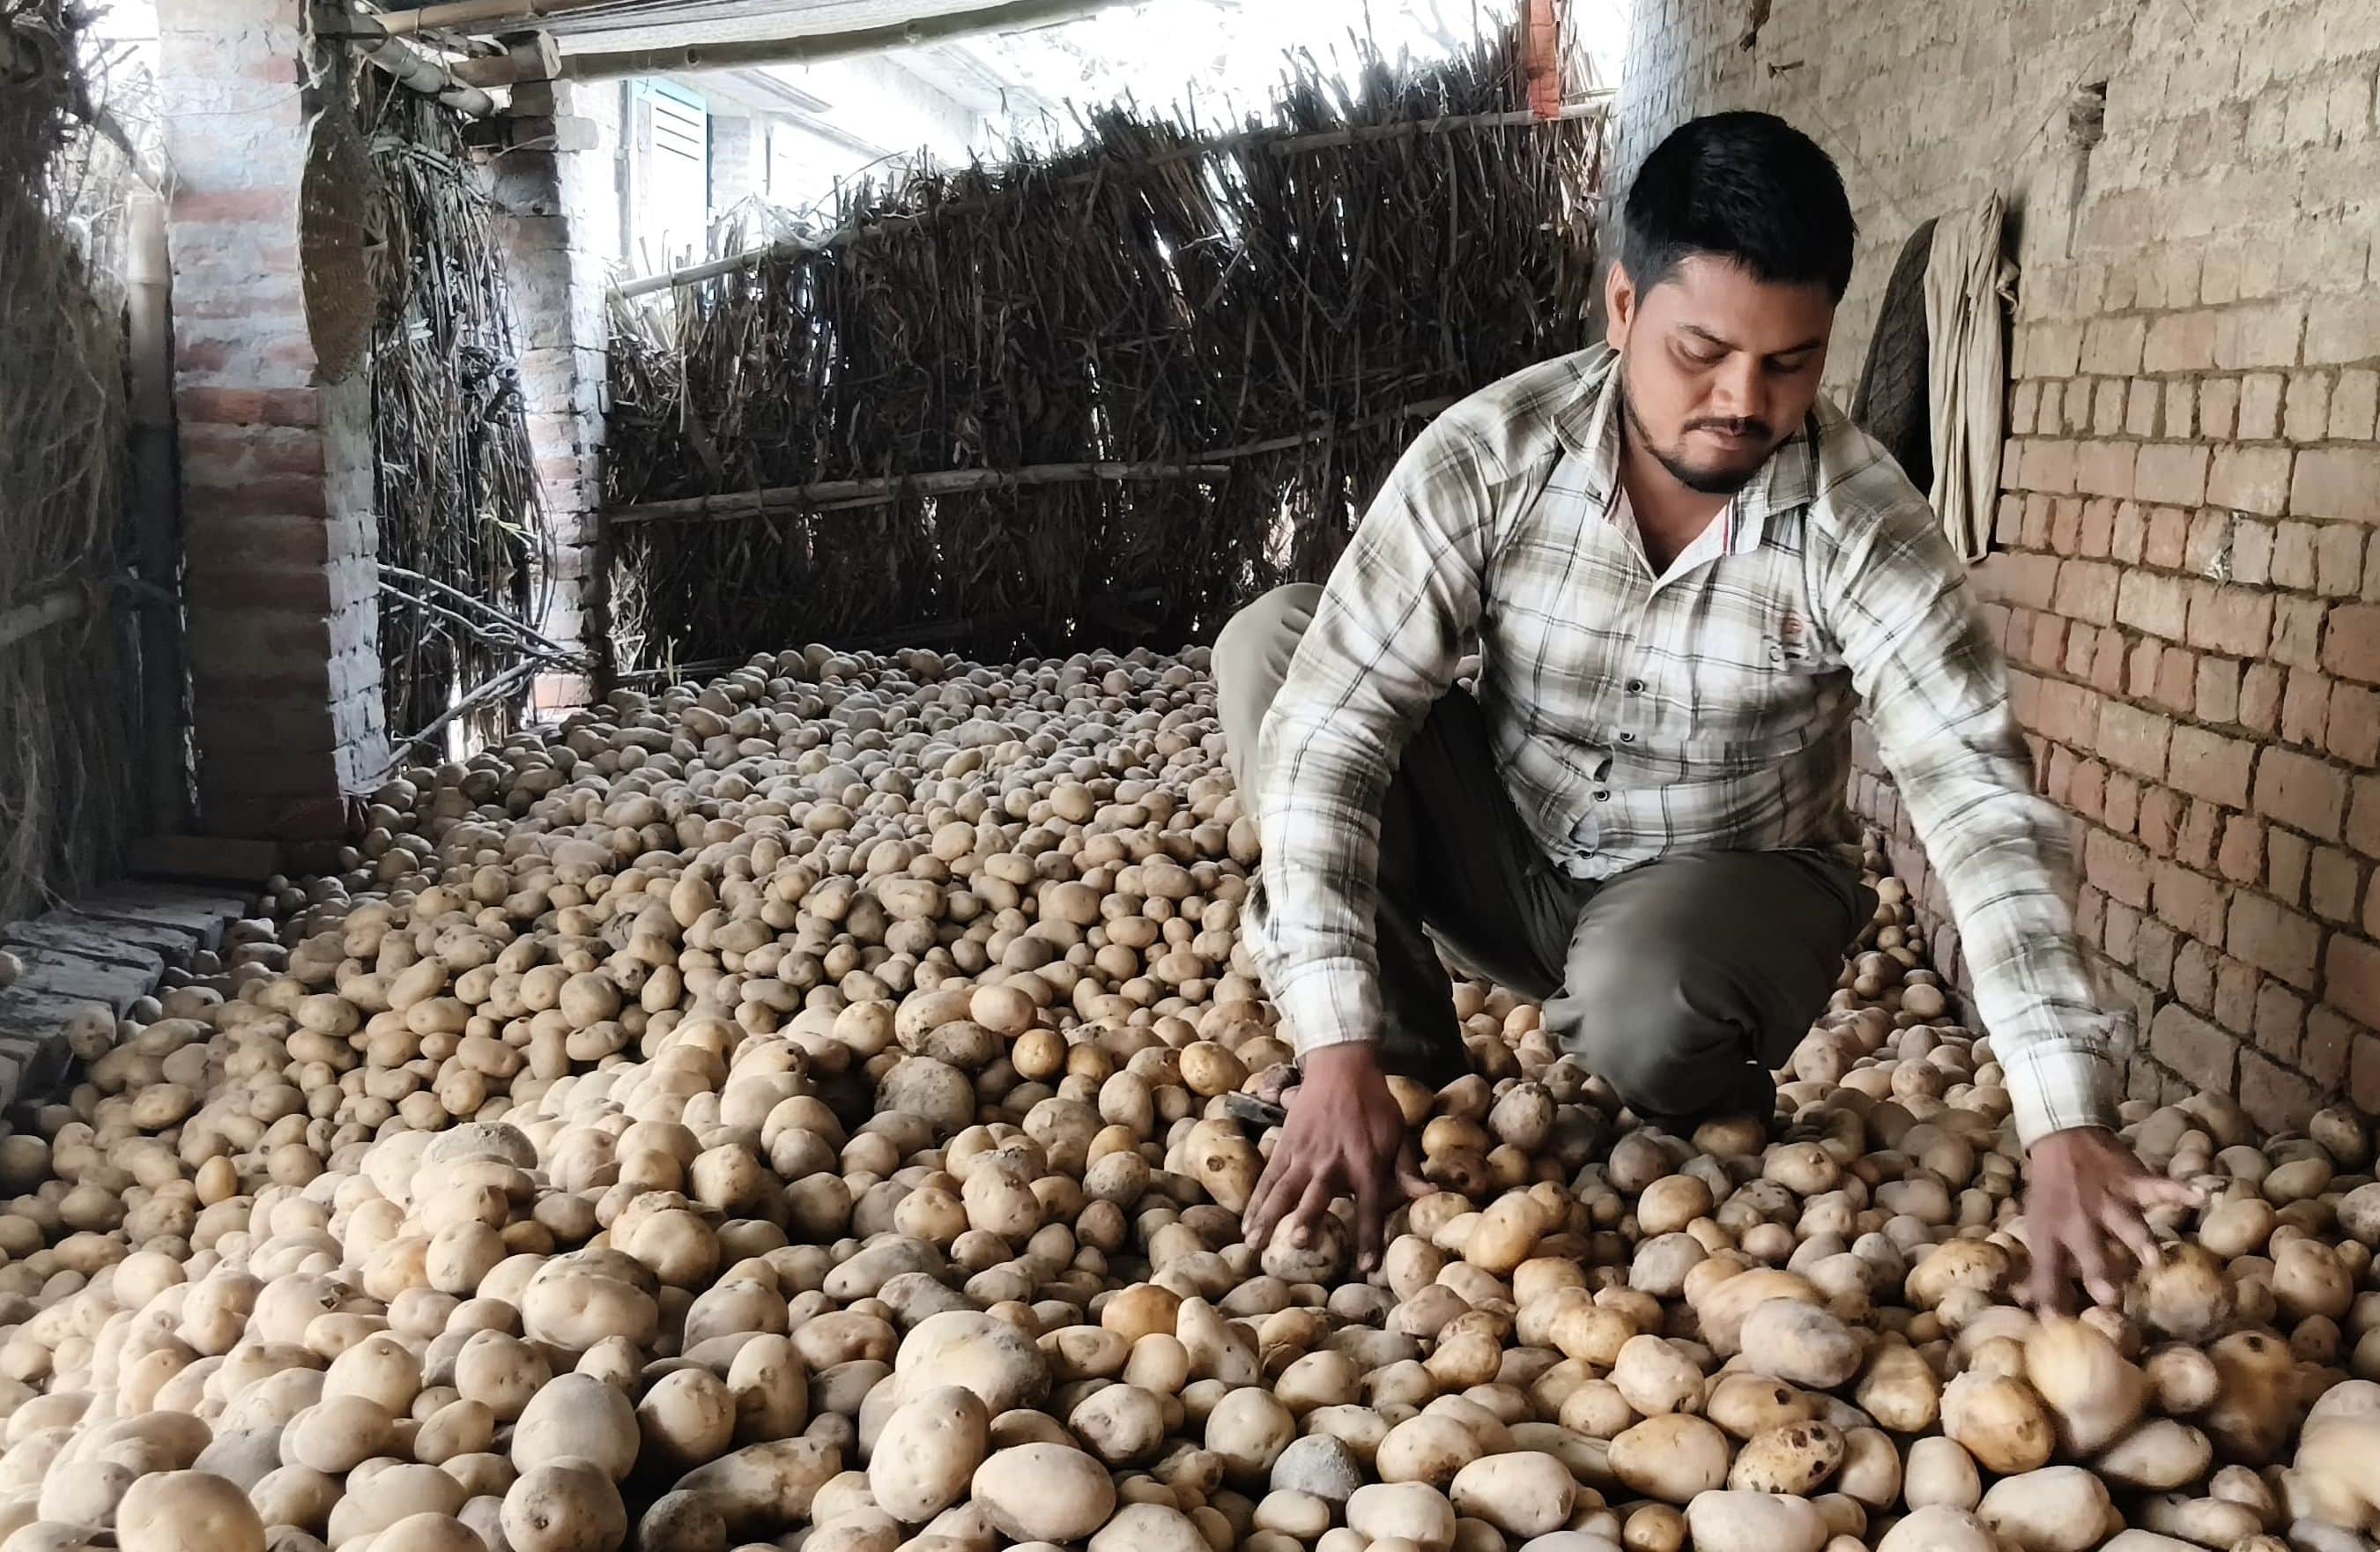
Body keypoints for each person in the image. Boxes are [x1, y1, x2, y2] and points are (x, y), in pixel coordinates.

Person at [1214, 110, 2192, 1309]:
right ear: (1622, 310)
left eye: (1788, 363)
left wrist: (2058, 1120)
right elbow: (1331, 733)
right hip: (1514, 849)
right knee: (1278, 647)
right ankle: (1391, 1070)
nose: (1742, 400)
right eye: (1701, 352)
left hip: (1725, 886)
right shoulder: (1491, 457)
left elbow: (1977, 803)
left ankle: (1697, 1091)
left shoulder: (1862, 528)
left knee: (1641, 989)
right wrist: (1328, 1038)